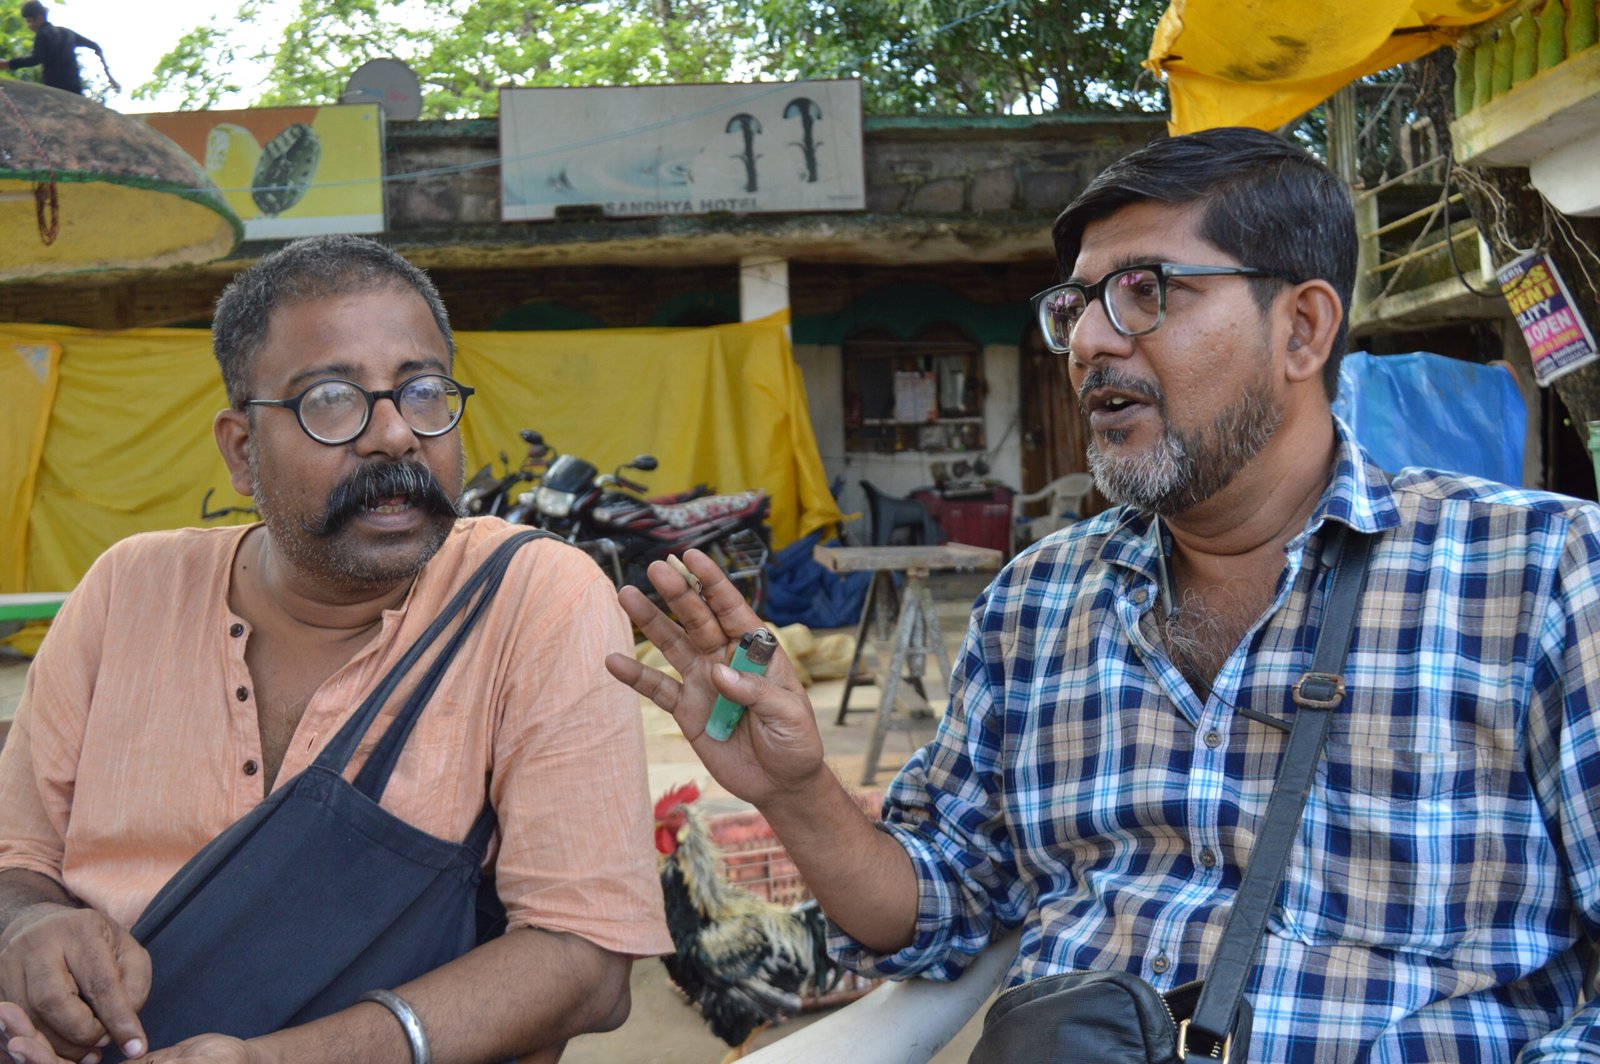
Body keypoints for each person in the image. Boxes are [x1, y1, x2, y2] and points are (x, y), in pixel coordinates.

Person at [608, 126, 1600, 1060]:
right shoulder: (1035, 604)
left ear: (1302, 329)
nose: (1088, 341)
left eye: (1143, 290)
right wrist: (795, 790)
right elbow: (935, 912)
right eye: (1077, 305)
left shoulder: (1540, 574)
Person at [0, 234, 671, 1064]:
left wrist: (275, 1060)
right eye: (329, 399)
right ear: (242, 450)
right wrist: (30, 922)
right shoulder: (126, 590)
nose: (395, 435)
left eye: (423, 391)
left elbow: (587, 962)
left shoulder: (532, 597)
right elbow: (18, 858)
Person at [4, 1, 118, 96]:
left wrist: (8, 63)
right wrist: (109, 75)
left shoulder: (42, 34)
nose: (28, 26)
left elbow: (36, 59)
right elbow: (96, 47)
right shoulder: (67, 32)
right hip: (75, 88)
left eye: (29, 21)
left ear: (39, 18)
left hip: (55, 88)